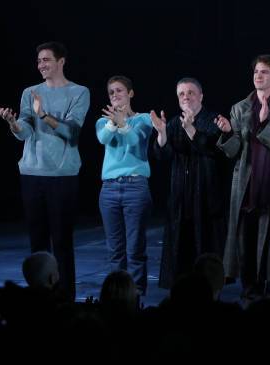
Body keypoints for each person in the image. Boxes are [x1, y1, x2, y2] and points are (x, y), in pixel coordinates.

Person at [0, 41, 90, 301]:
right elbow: (25, 130)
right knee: (37, 243)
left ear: (61, 62)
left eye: (46, 60)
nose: (41, 65)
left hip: (62, 177)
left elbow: (71, 133)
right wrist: (14, 123)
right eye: (38, 61)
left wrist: (44, 114)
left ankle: (65, 299)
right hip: (32, 174)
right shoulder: (30, 91)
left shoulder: (79, 92)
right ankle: (39, 299)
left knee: (62, 242)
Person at [215, 54, 270, 300]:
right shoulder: (240, 108)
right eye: (256, 72)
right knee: (246, 238)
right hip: (246, 183)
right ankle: (250, 288)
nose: (258, 76)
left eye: (264, 72)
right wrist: (228, 134)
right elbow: (233, 152)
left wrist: (264, 124)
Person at [150, 77, 226, 289]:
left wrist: (192, 129)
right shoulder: (173, 123)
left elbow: (214, 151)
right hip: (180, 197)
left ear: (201, 96)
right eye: (181, 94)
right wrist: (162, 133)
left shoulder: (213, 120)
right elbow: (162, 156)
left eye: (190, 92)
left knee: (206, 243)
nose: (186, 97)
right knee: (181, 247)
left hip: (206, 196)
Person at [96, 75, 152, 296]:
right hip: (109, 189)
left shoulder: (145, 119)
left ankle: (137, 294)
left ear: (130, 93)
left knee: (135, 248)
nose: (115, 95)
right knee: (115, 250)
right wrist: (114, 122)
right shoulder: (103, 122)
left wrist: (124, 123)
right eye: (111, 92)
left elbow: (135, 142)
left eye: (119, 91)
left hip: (135, 186)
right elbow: (103, 138)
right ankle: (117, 294)